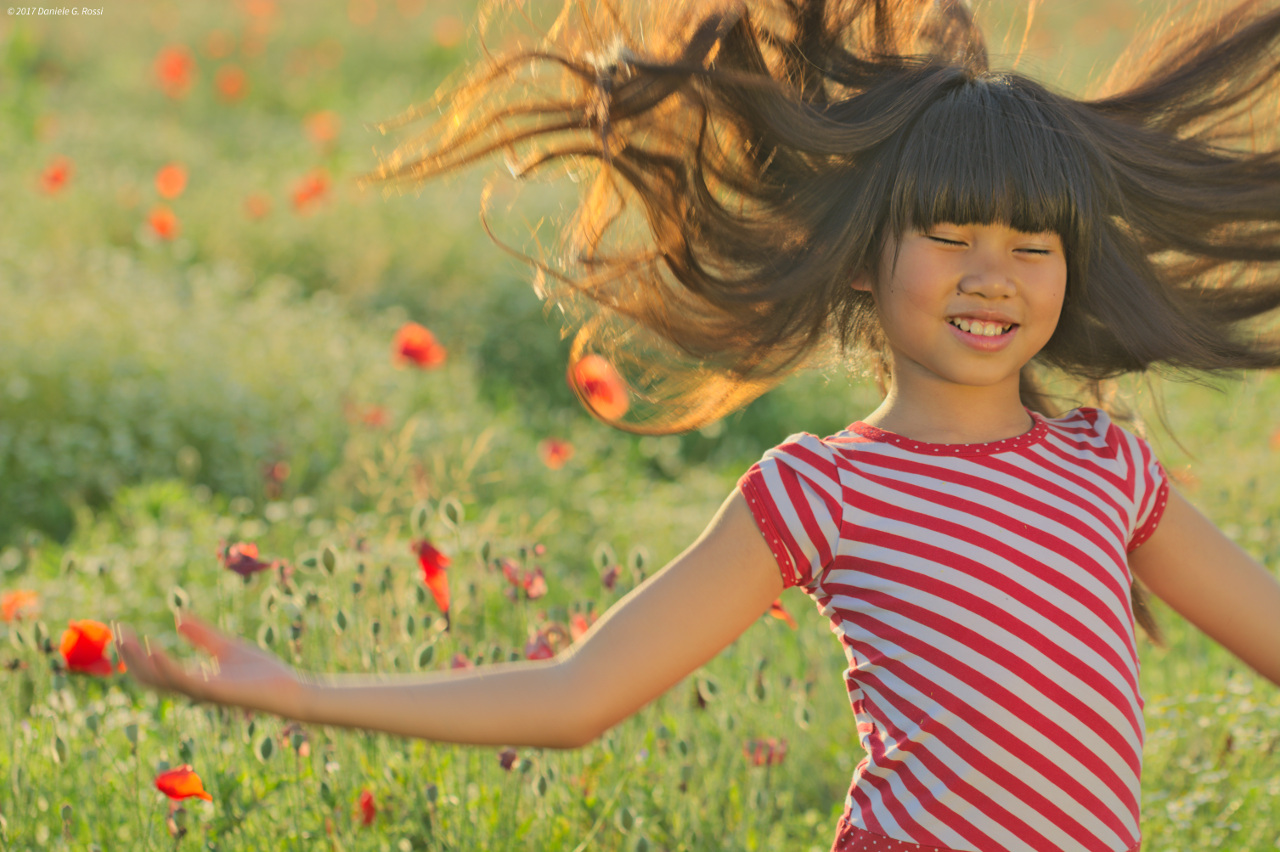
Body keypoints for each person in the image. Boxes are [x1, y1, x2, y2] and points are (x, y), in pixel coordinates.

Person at [120, 1, 1280, 850]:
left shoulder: (1103, 469)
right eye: (949, 238)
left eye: (1032, 248)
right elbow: (577, 697)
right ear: (861, 258)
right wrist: (301, 692)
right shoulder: (824, 493)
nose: (993, 277)